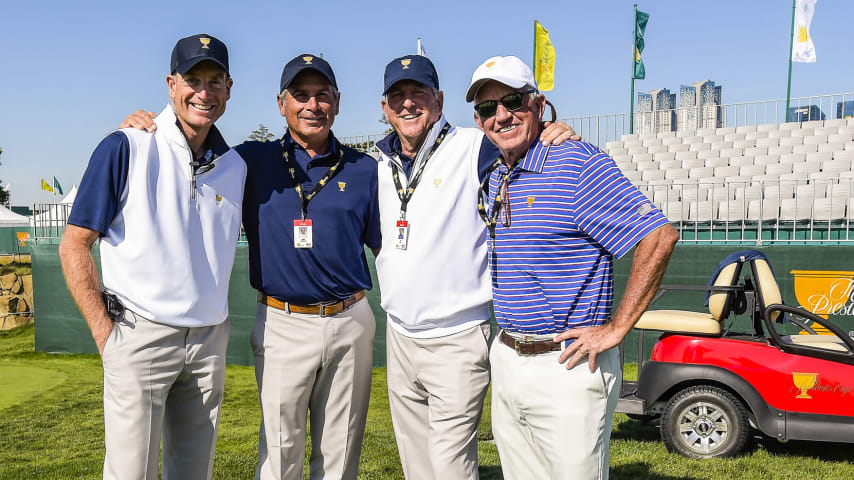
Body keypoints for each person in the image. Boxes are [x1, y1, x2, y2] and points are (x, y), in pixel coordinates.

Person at [119, 54, 380, 480]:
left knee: (341, 450)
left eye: (322, 95)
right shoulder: (247, 162)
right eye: (300, 96)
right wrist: (146, 126)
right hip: (282, 321)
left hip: (350, 319)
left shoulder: (365, 168)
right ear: (281, 104)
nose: (312, 105)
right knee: (281, 450)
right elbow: (189, 151)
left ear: (337, 102)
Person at [466, 55, 679, 480]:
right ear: (478, 119)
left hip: (567, 364)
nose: (502, 116)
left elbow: (659, 236)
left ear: (538, 105)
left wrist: (617, 328)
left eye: (512, 101)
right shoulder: (494, 174)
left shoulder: (578, 163)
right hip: (508, 358)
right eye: (489, 108)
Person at [374, 54, 576, 480]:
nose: (408, 104)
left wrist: (554, 129)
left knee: (449, 464)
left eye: (418, 94)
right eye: (398, 97)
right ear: (384, 108)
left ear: (439, 100)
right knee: (416, 463)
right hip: (400, 334)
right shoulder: (377, 162)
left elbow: (520, 141)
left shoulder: (472, 144)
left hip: (456, 337)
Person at [59, 34, 245, 480]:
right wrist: (107, 338)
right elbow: (74, 243)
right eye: (192, 80)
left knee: (192, 472)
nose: (203, 92)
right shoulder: (127, 145)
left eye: (214, 80)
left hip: (207, 340)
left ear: (229, 88)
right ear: (170, 84)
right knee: (130, 473)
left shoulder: (236, 166)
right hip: (139, 334)